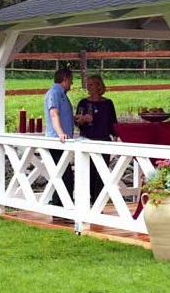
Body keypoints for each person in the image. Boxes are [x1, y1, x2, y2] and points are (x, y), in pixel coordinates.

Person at [75, 74, 118, 204]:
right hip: (87, 140)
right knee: (88, 172)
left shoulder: (108, 103)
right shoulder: (83, 103)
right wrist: (82, 120)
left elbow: (113, 122)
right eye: (87, 84)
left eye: (91, 84)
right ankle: (86, 202)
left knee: (102, 174)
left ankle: (98, 203)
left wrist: (116, 135)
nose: (89, 86)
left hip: (104, 140)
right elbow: (77, 122)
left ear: (99, 86)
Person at [44, 67, 75, 209]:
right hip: (57, 141)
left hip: (64, 141)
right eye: (71, 81)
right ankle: (61, 208)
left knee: (63, 175)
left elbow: (63, 115)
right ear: (65, 80)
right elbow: (54, 113)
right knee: (65, 176)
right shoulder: (54, 93)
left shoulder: (62, 94)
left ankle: (59, 207)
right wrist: (61, 133)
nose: (71, 84)